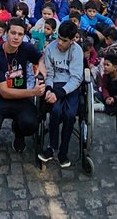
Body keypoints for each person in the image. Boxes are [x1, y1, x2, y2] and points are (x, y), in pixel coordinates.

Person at [0, 18, 44, 155]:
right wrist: (33, 92)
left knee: (31, 123)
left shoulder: (25, 48)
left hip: (20, 98)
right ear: (6, 34)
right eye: (13, 33)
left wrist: (40, 71)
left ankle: (19, 132)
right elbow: (4, 92)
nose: (16, 37)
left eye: (20, 34)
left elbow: (41, 58)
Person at [37, 19, 84, 167]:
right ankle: (52, 147)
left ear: (71, 40)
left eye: (64, 41)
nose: (60, 43)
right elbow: (49, 74)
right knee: (55, 111)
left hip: (71, 86)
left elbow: (76, 78)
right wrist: (50, 90)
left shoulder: (77, 51)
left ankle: (63, 151)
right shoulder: (50, 49)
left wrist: (60, 93)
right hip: (55, 83)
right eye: (59, 38)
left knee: (70, 115)